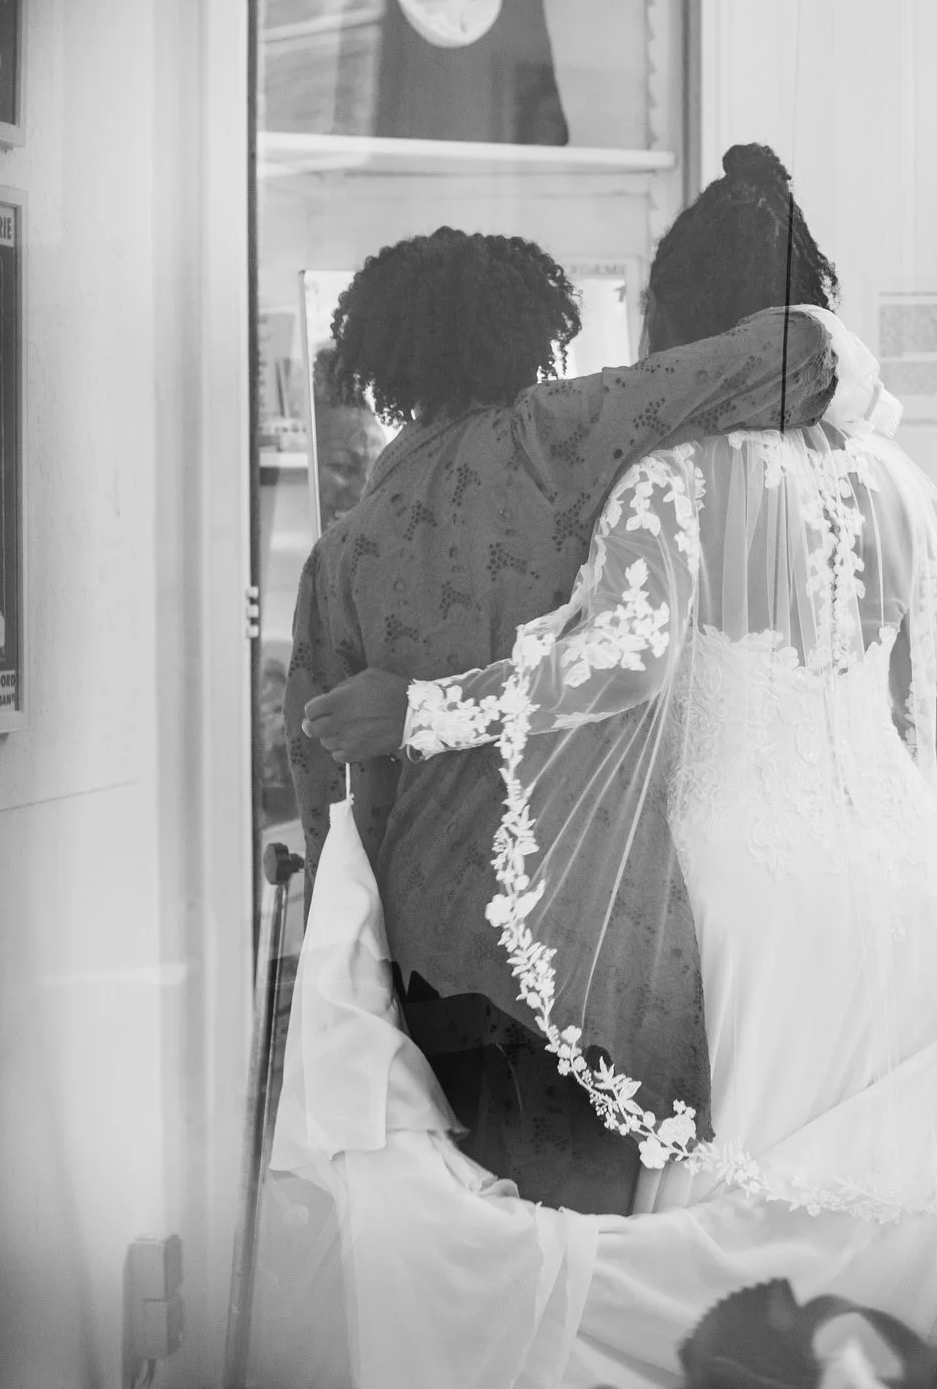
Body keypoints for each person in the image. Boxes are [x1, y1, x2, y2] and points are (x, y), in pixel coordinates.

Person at [288, 147, 937, 1386]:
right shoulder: (903, 487)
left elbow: (604, 671)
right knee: (903, 1225)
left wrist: (414, 720)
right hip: (913, 880)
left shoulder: (648, 486)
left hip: (732, 891)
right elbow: (924, 707)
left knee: (715, 1244)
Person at [281, 218, 874, 1216]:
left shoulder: (345, 547)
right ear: (536, 330)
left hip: (435, 955)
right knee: (593, 1269)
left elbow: (331, 792)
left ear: (381, 359)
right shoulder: (576, 427)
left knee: (484, 1271)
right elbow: (806, 358)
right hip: (602, 934)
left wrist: (368, 981)